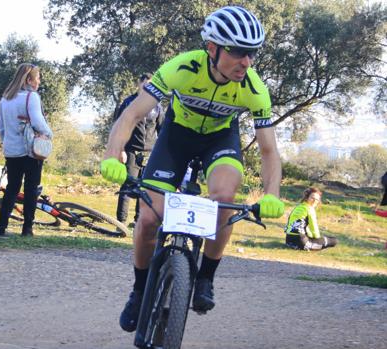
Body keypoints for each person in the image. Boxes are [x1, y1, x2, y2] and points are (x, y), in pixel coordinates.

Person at [100, 6, 285, 332]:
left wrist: (272, 195)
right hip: (177, 138)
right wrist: (113, 156)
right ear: (212, 48)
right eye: (238, 52)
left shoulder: (254, 89)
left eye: (252, 53)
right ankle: (139, 289)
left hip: (219, 141)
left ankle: (204, 279)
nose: (247, 62)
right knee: (147, 219)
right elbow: (130, 116)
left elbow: (269, 151)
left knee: (224, 197)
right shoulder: (181, 68)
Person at [0, 63, 53, 237]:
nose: (39, 81)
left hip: (12, 150)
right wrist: (49, 134)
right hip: (30, 150)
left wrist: (7, 143)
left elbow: (1, 127)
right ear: (29, 80)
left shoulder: (5, 99)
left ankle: (2, 225)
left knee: (12, 188)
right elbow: (38, 122)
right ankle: (27, 228)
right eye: (38, 78)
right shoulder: (31, 97)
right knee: (31, 188)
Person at [114, 73, 164, 229]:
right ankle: (120, 222)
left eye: (151, 86)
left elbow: (162, 130)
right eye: (146, 85)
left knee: (145, 189)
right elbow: (118, 127)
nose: (148, 88)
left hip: (150, 153)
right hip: (130, 151)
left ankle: (138, 221)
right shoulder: (128, 102)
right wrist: (120, 149)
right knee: (128, 186)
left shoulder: (157, 106)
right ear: (139, 84)